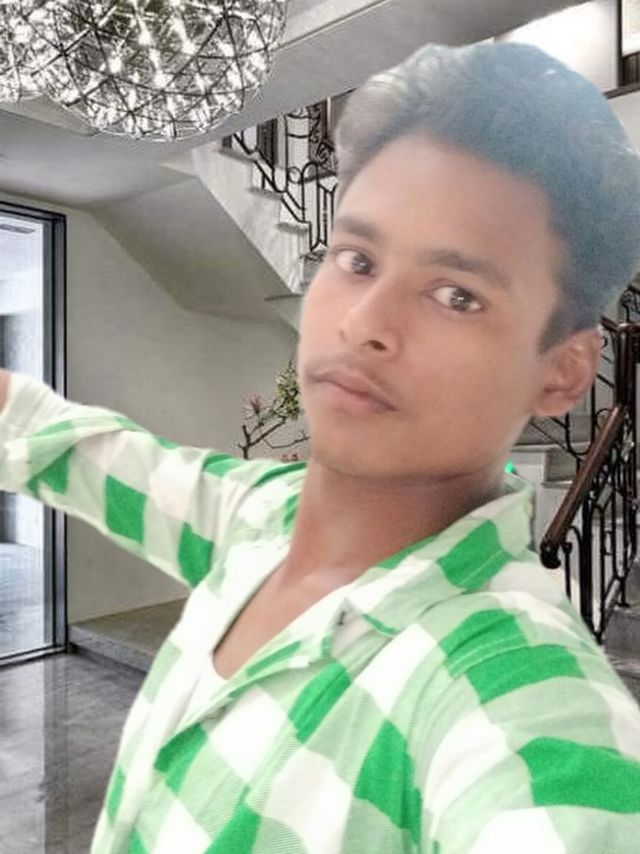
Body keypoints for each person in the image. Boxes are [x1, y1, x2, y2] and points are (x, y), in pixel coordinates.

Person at [2, 41, 640, 853]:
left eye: (457, 295)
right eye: (357, 259)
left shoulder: (514, 690)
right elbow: (74, 448)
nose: (364, 322)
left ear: (564, 372)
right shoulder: (256, 519)